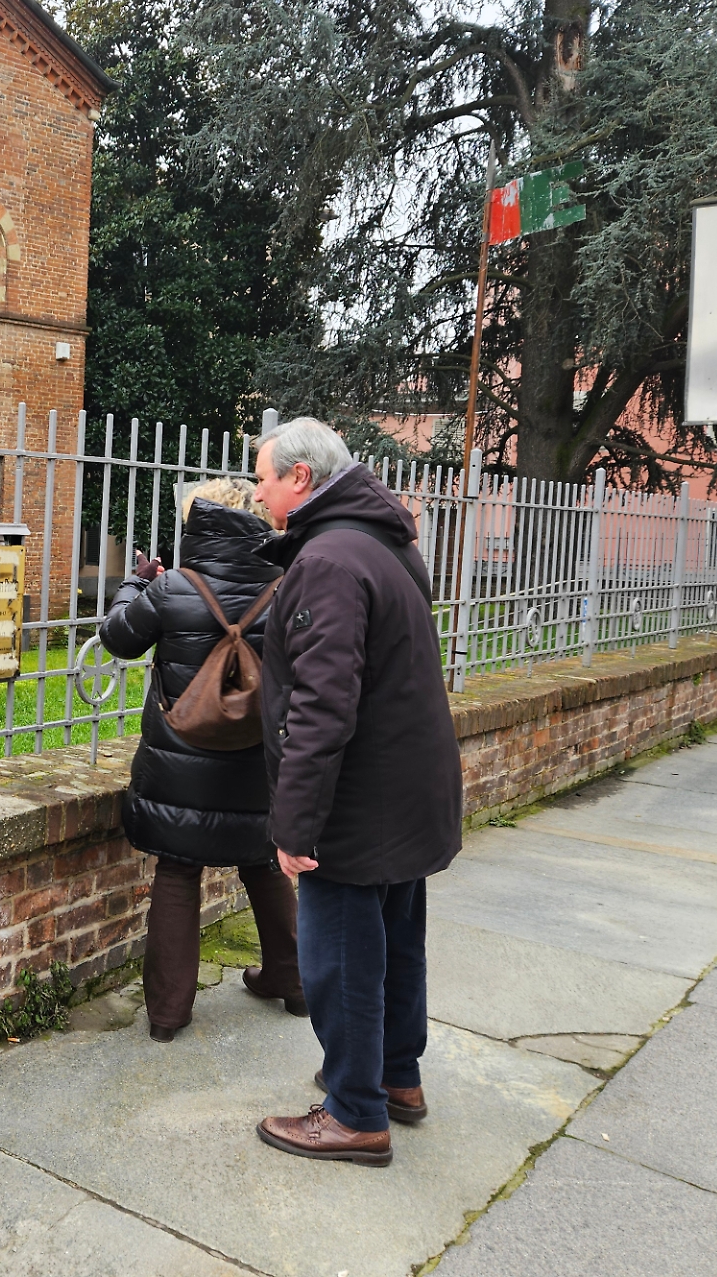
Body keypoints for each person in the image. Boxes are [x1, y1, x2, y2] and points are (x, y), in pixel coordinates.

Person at [250, 418, 463, 1168]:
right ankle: (395, 1079)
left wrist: (295, 825)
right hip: (408, 792)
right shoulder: (384, 541)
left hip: (359, 801)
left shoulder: (331, 559)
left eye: (265, 477)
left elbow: (321, 703)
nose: (258, 490)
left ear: (301, 479)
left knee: (340, 958)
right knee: (398, 944)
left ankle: (353, 1112)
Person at [98, 478, 306, 1044]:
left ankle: (168, 1014)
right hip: (257, 760)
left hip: (179, 761)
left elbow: (118, 639)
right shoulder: (286, 586)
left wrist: (132, 586)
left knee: (178, 869)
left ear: (198, 523)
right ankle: (293, 984)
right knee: (264, 864)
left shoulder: (173, 590)